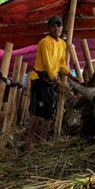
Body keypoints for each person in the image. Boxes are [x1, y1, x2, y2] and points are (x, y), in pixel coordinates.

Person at [24, 15, 77, 150]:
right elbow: (48, 64)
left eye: (59, 25)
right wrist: (57, 82)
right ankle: (28, 142)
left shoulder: (63, 44)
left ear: (62, 28)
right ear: (48, 28)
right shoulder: (44, 42)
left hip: (50, 82)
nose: (56, 28)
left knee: (48, 112)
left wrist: (72, 77)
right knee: (37, 110)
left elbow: (62, 64)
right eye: (53, 25)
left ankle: (42, 142)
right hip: (39, 79)